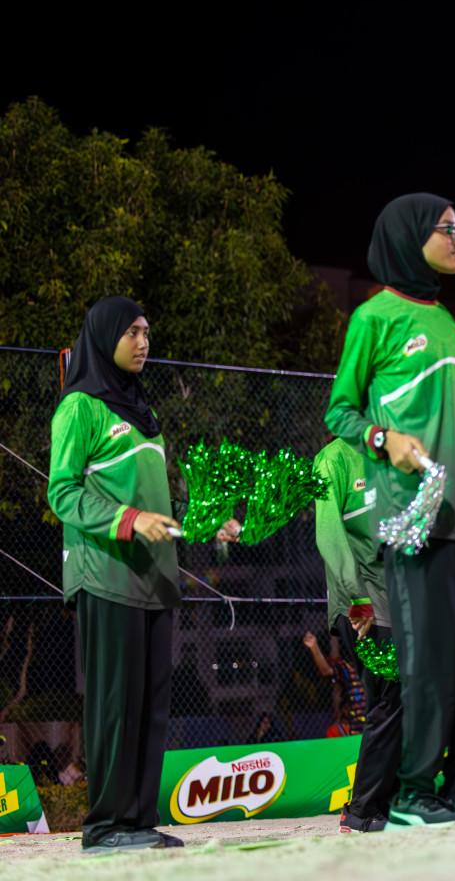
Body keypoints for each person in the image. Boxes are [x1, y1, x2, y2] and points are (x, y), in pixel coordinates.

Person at [324, 194, 455, 829]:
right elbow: (339, 410)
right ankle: (412, 792)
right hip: (413, 519)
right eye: (446, 229)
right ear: (406, 237)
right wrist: (383, 439)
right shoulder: (375, 316)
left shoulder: (448, 320)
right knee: (426, 662)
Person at [47, 296, 241, 854]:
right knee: (113, 703)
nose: (143, 341)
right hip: (106, 575)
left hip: (156, 584)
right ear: (105, 336)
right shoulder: (79, 408)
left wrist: (208, 526)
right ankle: (105, 825)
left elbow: (164, 506)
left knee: (150, 705)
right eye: (131, 331)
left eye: (147, 332)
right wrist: (128, 521)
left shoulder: (146, 418)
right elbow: (62, 492)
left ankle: (135, 820)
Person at [313, 434, 402, 832]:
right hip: (361, 608)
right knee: (388, 698)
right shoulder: (332, 459)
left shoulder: (392, 456)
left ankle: (383, 805)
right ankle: (363, 809)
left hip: (398, 601)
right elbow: (329, 536)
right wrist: (355, 599)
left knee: (403, 699)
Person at [302, 631, 367, 736]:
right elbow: (326, 670)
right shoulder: (348, 667)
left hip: (378, 727)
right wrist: (314, 647)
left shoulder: (378, 665)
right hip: (356, 731)